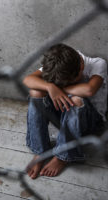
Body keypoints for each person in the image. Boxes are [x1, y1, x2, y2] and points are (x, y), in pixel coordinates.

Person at [23, 43, 107, 179]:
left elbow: (89, 90)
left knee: (76, 100)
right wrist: (50, 87)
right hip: (63, 118)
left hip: (90, 122)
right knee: (36, 91)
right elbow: (28, 79)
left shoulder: (97, 63)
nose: (64, 85)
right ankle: (40, 151)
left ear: (81, 66)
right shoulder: (59, 63)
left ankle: (63, 156)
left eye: (70, 82)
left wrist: (58, 89)